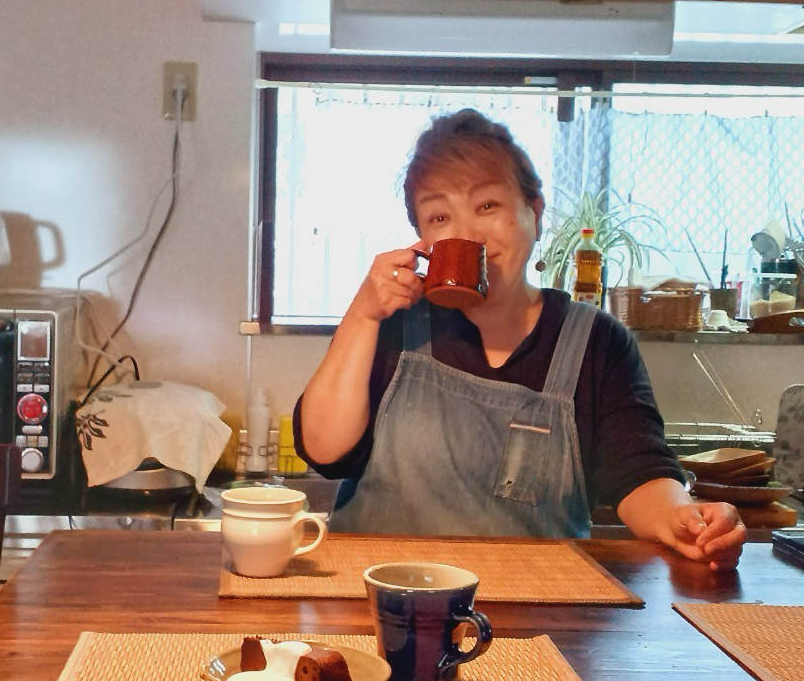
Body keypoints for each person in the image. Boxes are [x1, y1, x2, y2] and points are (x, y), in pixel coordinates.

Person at [293, 109, 745, 571]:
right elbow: (325, 451)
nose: (466, 233)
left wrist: (683, 518)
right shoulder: (392, 324)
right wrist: (363, 313)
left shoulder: (595, 341)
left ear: (534, 212)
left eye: (488, 206)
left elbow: (639, 473)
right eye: (439, 215)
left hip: (534, 611)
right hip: (378, 601)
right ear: (422, 239)